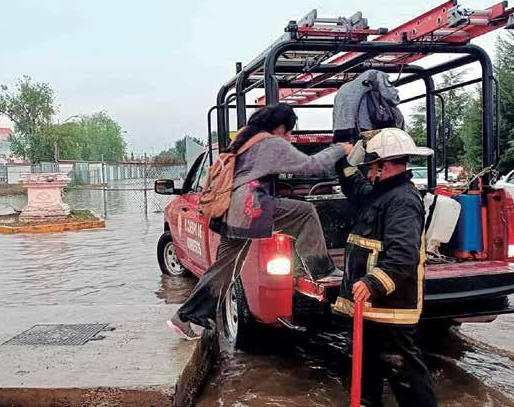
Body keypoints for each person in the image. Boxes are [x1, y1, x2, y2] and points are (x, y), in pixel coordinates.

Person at [168, 103, 352, 340]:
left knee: (225, 269)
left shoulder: (245, 139)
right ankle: (320, 269)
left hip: (231, 211)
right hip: (250, 208)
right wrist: (339, 149)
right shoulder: (270, 143)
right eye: (288, 131)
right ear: (280, 127)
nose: (289, 137)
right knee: (305, 212)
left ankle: (185, 317)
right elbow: (311, 166)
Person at [333, 128, 438, 407]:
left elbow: (403, 256)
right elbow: (357, 189)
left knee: (405, 375)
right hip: (371, 308)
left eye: (371, 167)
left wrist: (372, 283)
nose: (368, 173)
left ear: (384, 166)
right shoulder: (382, 193)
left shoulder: (403, 201)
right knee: (365, 372)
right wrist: (343, 160)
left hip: (391, 310)